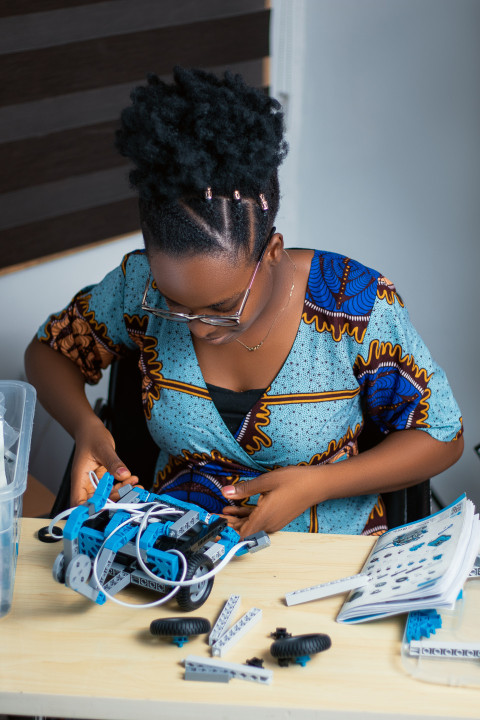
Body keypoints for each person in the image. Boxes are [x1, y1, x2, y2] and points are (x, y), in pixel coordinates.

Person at [25, 67, 463, 539]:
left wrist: (317, 485)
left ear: (271, 254)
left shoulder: (354, 304)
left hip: (324, 562)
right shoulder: (138, 286)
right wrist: (84, 426)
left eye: (222, 306)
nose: (197, 329)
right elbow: (50, 352)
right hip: (175, 557)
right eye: (175, 304)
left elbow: (442, 436)